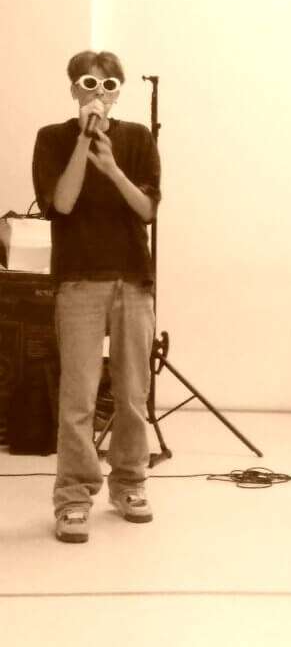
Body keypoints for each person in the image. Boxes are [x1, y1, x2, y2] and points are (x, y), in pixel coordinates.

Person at [32, 51, 161, 543]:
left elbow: (146, 209)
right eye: (89, 84)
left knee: (131, 394)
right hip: (79, 280)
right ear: (73, 89)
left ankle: (129, 484)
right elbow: (62, 203)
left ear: (118, 93)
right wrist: (84, 144)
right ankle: (73, 496)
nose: (99, 94)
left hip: (132, 279)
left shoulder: (138, 139)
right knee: (78, 397)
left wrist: (111, 166)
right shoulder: (52, 138)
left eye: (109, 86)